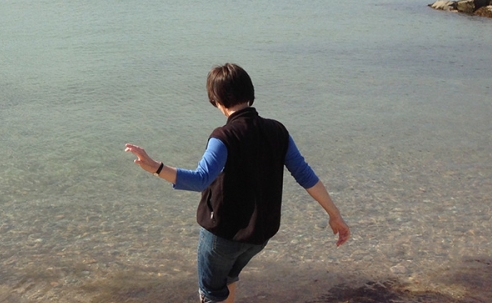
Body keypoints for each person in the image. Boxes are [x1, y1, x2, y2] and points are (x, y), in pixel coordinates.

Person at [124, 63, 350, 303]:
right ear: (249, 92)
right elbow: (305, 175)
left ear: (216, 100)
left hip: (223, 236)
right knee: (229, 279)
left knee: (211, 292)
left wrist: (156, 168)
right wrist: (334, 215)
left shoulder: (224, 137)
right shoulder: (278, 131)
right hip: (259, 237)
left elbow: (200, 179)